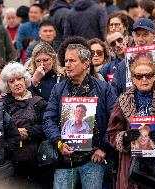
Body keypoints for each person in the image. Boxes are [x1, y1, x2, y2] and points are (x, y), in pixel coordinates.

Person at [43, 41, 117, 189]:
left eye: (72, 60)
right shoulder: (58, 89)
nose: (67, 65)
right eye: (66, 61)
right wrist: (58, 143)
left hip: (93, 159)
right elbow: (48, 119)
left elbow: (115, 121)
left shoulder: (103, 88)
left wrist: (103, 147)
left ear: (85, 64)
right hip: (65, 158)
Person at [107, 60, 155, 189]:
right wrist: (125, 137)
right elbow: (112, 131)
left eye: (148, 75)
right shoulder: (123, 99)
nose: (144, 79)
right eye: (139, 76)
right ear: (133, 78)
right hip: (132, 163)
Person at [0, 62, 48, 188]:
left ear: (25, 79)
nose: (16, 83)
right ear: (7, 85)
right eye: (11, 81)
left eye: (19, 78)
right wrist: (15, 133)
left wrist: (28, 132)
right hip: (11, 164)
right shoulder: (1, 105)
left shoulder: (39, 101)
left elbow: (47, 127)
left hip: (36, 163)